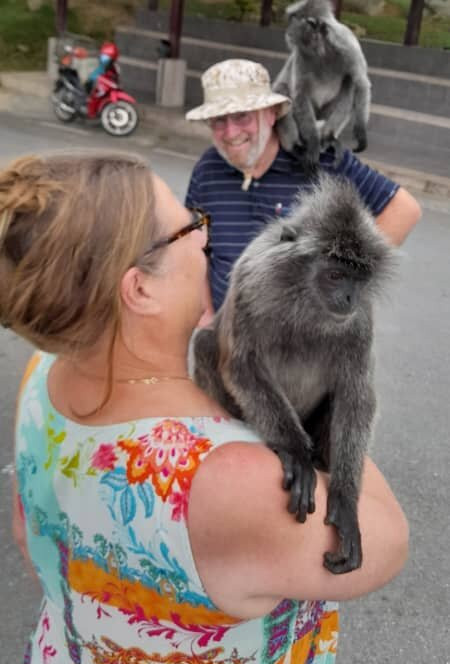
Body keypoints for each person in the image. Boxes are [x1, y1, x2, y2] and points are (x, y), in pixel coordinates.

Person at [2, 151, 408, 663]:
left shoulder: (42, 375)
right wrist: (326, 413)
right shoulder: (233, 479)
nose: (205, 236)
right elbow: (388, 541)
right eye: (185, 228)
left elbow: (28, 532)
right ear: (140, 287)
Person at [185, 59, 422, 316]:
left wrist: (348, 282)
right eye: (218, 120)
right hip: (230, 338)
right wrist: (208, 314)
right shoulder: (207, 169)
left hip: (304, 346)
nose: (230, 132)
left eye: (242, 116)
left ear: (271, 113)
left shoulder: (320, 160)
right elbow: (194, 244)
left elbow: (403, 210)